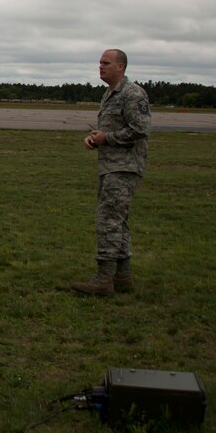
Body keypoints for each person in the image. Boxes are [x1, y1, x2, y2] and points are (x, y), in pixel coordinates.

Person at [72, 48, 151, 296]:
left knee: (107, 220)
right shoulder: (110, 94)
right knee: (119, 221)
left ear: (121, 67)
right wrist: (96, 138)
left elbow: (140, 130)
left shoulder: (132, 93)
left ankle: (104, 278)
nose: (100, 66)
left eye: (106, 63)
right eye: (99, 62)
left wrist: (108, 138)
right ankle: (123, 276)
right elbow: (111, 129)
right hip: (111, 166)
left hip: (124, 167)